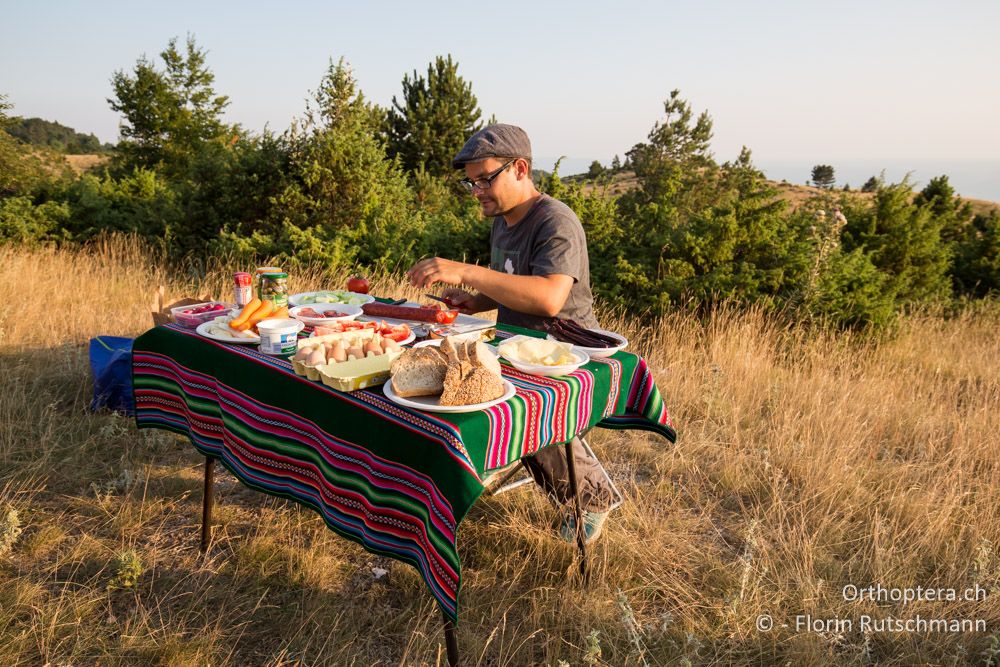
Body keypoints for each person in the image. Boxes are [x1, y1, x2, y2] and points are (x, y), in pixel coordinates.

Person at [407, 124, 621, 544]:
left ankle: (592, 498)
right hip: (516, 343)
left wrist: (466, 271)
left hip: (566, 352)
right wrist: (475, 301)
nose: (476, 190)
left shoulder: (555, 221)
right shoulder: (503, 221)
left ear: (520, 168)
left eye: (485, 179)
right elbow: (513, 283)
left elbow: (548, 299)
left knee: (519, 413)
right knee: (446, 386)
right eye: (471, 181)